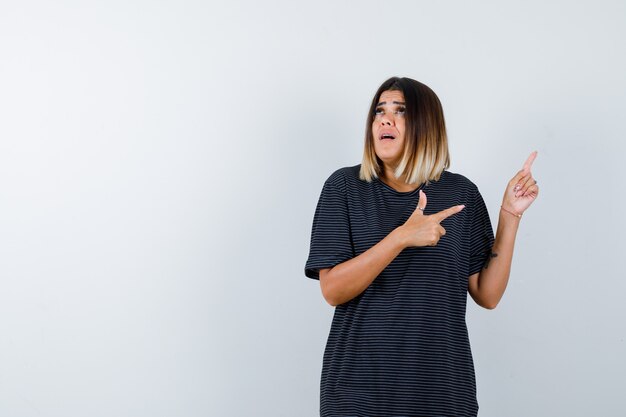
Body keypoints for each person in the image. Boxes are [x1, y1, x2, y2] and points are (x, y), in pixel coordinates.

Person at [304, 76, 539, 417]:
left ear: (426, 125)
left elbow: (487, 294)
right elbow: (333, 289)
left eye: (400, 111)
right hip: (360, 391)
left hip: (443, 391)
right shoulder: (345, 187)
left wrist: (509, 215)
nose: (384, 119)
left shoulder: (461, 194)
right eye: (379, 111)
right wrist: (401, 237)